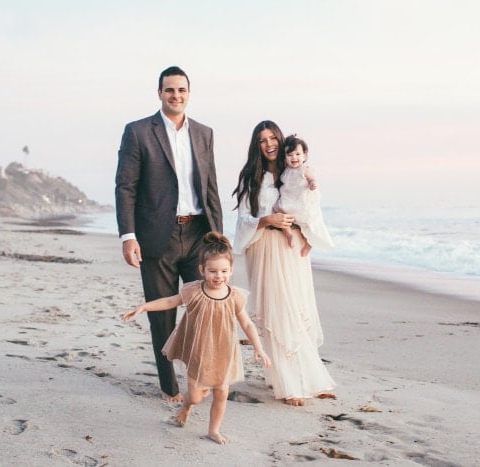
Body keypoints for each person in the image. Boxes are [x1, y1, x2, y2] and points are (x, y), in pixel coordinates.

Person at [115, 66, 223, 404]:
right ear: (159, 93)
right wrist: (128, 236)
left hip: (198, 234)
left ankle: (198, 378)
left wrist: (219, 237)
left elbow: (210, 187)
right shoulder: (138, 132)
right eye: (169, 90)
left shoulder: (204, 133)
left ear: (189, 93)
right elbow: (125, 187)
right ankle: (168, 386)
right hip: (156, 235)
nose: (176, 95)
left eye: (181, 90)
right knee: (163, 316)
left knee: (203, 310)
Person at [121, 232, 271, 445]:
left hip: (224, 352)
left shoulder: (235, 296)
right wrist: (144, 307)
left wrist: (259, 348)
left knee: (221, 394)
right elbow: (170, 301)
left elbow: (246, 324)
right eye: (212, 271)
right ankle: (187, 407)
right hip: (197, 352)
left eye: (223, 271)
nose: (218, 276)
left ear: (231, 270)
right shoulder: (194, 291)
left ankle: (213, 430)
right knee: (196, 397)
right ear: (201, 270)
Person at [232, 120, 335, 407]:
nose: (269, 144)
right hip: (265, 246)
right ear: (257, 145)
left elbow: (310, 206)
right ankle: (289, 384)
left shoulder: (294, 171)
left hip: (292, 249)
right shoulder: (251, 176)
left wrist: (305, 232)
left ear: (281, 139)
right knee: (278, 312)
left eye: (272, 138)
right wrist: (267, 220)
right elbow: (242, 219)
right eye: (262, 140)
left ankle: (312, 379)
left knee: (298, 309)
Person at [274, 134, 334, 257]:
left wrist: (312, 184)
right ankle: (289, 234)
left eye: (297, 154)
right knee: (279, 213)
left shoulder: (305, 169)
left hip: (301, 202)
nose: (294, 157)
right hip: (288, 200)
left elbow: (312, 179)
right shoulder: (286, 171)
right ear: (285, 157)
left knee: (307, 223)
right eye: (289, 155)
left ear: (305, 155)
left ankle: (308, 243)